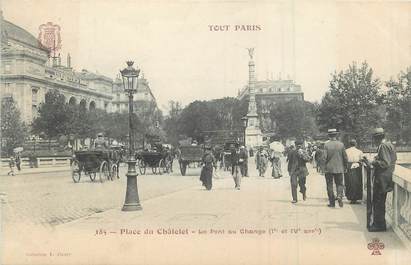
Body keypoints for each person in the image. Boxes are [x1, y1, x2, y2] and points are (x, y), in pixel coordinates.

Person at [368, 128, 397, 232]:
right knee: (380, 202)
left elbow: (385, 163)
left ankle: (379, 225)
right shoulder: (389, 144)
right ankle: (379, 224)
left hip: (382, 178)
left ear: (377, 138)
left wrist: (373, 161)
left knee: (378, 202)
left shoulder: (383, 146)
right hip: (386, 177)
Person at [323, 129, 348, 208]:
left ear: (329, 136)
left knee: (329, 185)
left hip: (329, 168)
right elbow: (345, 157)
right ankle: (339, 196)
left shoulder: (326, 145)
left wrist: (323, 167)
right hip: (339, 168)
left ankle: (332, 202)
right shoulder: (341, 144)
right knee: (339, 184)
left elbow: (324, 158)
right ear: (336, 135)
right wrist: (345, 166)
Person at [344, 139, 364, 204]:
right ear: (355, 144)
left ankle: (351, 197)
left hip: (349, 166)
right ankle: (356, 197)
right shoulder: (359, 151)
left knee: (349, 182)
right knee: (357, 182)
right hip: (357, 167)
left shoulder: (346, 151)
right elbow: (362, 159)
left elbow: (344, 159)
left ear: (349, 144)